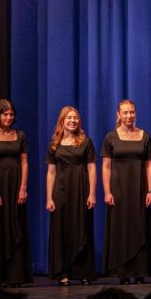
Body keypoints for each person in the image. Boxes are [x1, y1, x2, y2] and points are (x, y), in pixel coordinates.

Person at [102, 99, 151, 285]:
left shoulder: (144, 136)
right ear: (118, 115)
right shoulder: (111, 137)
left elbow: (150, 165)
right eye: (125, 112)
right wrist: (107, 191)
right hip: (119, 189)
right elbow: (106, 166)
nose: (129, 116)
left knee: (139, 226)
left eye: (132, 112)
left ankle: (140, 272)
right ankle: (123, 272)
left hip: (139, 189)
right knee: (121, 228)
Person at [0, 99, 32, 287]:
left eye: (11, 114)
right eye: (5, 114)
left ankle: (16, 275)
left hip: (16, 184)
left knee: (16, 225)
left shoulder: (20, 135)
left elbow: (25, 162)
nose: (9, 117)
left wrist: (23, 187)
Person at [45, 105, 97, 285]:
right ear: (62, 121)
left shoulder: (86, 141)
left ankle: (84, 272)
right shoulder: (54, 144)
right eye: (69, 118)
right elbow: (51, 172)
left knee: (82, 228)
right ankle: (62, 272)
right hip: (60, 190)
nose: (73, 121)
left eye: (75, 118)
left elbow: (91, 168)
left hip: (81, 189)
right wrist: (49, 198)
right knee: (62, 230)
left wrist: (92, 193)